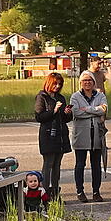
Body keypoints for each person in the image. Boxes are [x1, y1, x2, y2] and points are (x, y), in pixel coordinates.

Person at [35, 72, 73, 201]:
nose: (57, 86)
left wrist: (67, 113)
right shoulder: (42, 97)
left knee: (57, 165)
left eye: (60, 84)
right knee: (48, 164)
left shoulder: (61, 98)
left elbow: (65, 119)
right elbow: (39, 117)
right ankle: (44, 194)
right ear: (49, 83)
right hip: (48, 135)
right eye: (55, 83)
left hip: (60, 135)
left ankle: (56, 194)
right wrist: (54, 111)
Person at [70, 71, 107, 203]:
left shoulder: (100, 95)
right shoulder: (75, 97)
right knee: (80, 164)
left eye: (90, 80)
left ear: (93, 82)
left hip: (96, 135)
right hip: (81, 135)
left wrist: (87, 109)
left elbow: (104, 109)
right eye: (84, 80)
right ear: (80, 82)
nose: (87, 82)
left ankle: (96, 191)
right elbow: (76, 112)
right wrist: (95, 111)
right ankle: (80, 191)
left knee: (96, 165)